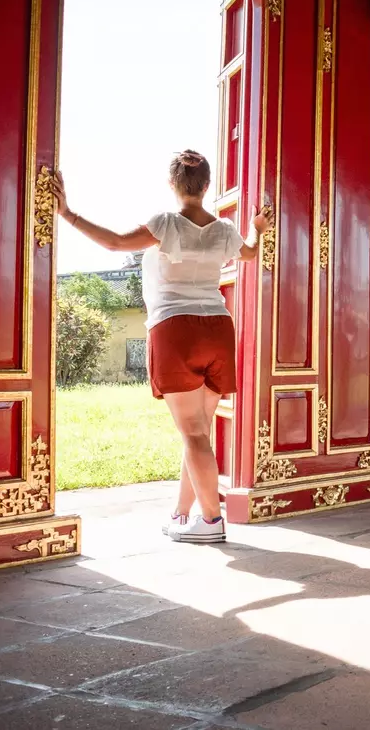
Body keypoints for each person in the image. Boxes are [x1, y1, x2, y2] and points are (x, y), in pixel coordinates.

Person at [50, 150, 268, 543]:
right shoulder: (225, 231)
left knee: (193, 434)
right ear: (206, 185)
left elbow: (116, 243)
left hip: (175, 329)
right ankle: (183, 514)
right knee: (200, 431)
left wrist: (68, 214)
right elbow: (250, 252)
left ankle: (212, 523)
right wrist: (257, 228)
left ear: (173, 185)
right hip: (218, 329)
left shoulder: (166, 224)